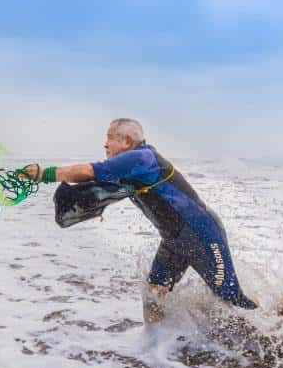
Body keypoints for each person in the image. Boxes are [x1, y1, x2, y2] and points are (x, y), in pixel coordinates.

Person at [23, 118, 258, 323]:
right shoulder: (133, 168)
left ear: (126, 141)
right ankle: (157, 347)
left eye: (110, 138)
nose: (105, 144)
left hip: (202, 234)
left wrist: (45, 174)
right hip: (174, 241)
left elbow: (90, 171)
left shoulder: (141, 157)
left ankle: (278, 333)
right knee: (154, 294)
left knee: (231, 300)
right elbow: (99, 189)